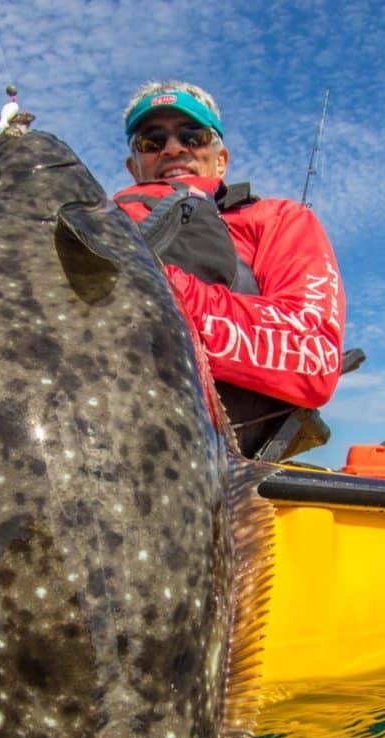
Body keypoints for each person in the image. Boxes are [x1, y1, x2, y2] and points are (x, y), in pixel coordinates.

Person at [113, 81, 346, 458]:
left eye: (194, 136)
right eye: (150, 141)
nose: (173, 148)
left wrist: (151, 286)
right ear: (133, 165)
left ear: (220, 158)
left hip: (217, 467)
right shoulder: (93, 223)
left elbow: (313, 357)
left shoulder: (280, 220)